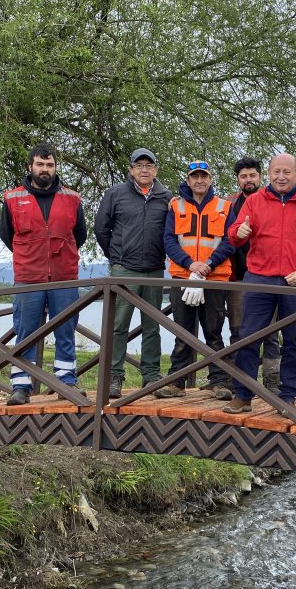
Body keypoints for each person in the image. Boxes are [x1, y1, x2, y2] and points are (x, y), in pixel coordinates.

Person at [223, 153, 296, 413]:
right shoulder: (255, 201)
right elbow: (234, 235)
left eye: (287, 172)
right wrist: (239, 232)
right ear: (269, 174)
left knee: (293, 340)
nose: (281, 177)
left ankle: (288, 396)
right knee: (248, 337)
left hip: (295, 282)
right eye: (276, 172)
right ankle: (243, 395)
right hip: (259, 278)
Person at [0, 142, 87, 405]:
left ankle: (66, 381)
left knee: (66, 330)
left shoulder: (72, 198)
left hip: (64, 277)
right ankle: (21, 386)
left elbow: (79, 235)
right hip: (28, 277)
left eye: (49, 164)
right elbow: (7, 235)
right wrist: (33, 254)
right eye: (40, 164)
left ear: (55, 167)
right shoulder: (12, 198)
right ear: (30, 167)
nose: (45, 169)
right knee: (25, 331)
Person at [94, 148, 172, 398]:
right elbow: (101, 229)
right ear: (131, 170)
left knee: (152, 326)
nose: (144, 170)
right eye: (139, 165)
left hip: (154, 269)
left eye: (149, 165)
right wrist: (116, 257)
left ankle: (151, 376)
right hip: (124, 270)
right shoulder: (115, 194)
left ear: (156, 170)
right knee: (118, 325)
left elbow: (171, 232)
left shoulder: (166, 197)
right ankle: (114, 376)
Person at [158, 160, 236, 400]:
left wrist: (207, 265)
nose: (199, 180)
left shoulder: (225, 207)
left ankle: (219, 381)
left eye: (204, 176)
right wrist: (190, 264)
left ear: (210, 179)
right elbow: (169, 240)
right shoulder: (175, 206)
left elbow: (230, 241)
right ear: (188, 180)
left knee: (214, 332)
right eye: (195, 177)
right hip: (183, 276)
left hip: (214, 279)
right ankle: (176, 382)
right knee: (183, 332)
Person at [226, 157, 281, 393]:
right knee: (238, 331)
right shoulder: (229, 204)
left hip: (267, 277)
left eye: (252, 175)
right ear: (238, 180)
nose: (248, 180)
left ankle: (271, 380)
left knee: (271, 332)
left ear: (260, 176)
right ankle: (237, 380)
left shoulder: (274, 201)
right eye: (243, 176)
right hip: (238, 277)